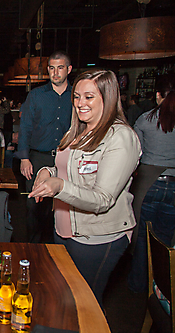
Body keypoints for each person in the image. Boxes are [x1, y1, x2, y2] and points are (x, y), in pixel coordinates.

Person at [29, 69, 141, 308]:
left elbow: (102, 199)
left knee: (84, 304)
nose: (80, 103)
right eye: (77, 97)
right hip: (64, 230)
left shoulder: (120, 137)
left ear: (107, 97)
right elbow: (69, 171)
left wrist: (59, 186)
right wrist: (47, 172)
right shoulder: (78, 131)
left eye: (89, 97)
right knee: (63, 298)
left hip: (96, 237)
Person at [15, 50, 73, 243]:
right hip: (39, 157)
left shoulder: (76, 96)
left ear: (68, 70)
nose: (55, 73)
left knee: (62, 205)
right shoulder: (36, 95)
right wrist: (24, 158)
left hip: (67, 158)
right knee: (34, 206)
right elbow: (25, 127)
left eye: (60, 68)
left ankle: (57, 249)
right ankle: (33, 249)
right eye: (51, 68)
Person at [128, 73, 175, 293]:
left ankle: (139, 287)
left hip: (148, 184)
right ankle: (161, 289)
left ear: (158, 96)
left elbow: (133, 153)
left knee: (142, 239)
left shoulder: (145, 120)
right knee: (164, 242)